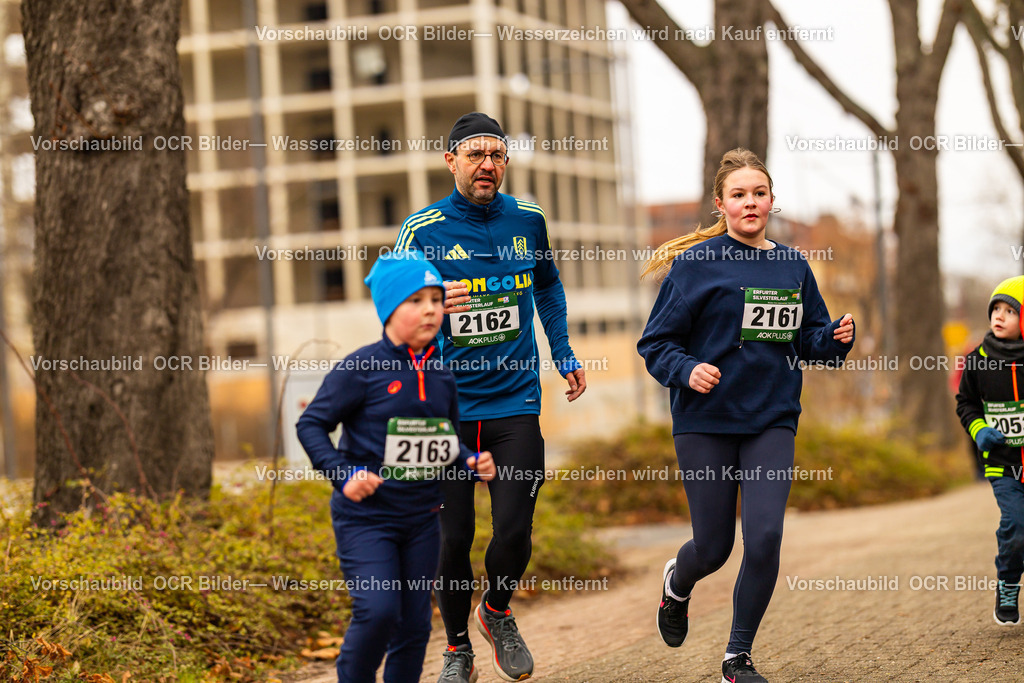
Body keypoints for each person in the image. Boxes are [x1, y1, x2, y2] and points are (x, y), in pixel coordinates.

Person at [637, 148, 855, 683]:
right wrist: (687, 370)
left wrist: (835, 339)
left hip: (770, 418)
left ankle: (736, 657)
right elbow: (655, 343)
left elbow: (807, 342)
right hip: (705, 421)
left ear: (772, 200)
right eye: (739, 194)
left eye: (759, 193)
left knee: (764, 538)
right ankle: (677, 584)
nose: (750, 202)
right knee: (713, 547)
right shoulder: (695, 265)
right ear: (721, 204)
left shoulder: (792, 265)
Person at [394, 112, 586, 683]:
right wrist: (430, 304)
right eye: (475, 155)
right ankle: (456, 650)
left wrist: (564, 350)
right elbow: (392, 311)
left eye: (497, 155)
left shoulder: (528, 219)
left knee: (514, 531)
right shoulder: (422, 228)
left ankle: (496, 611)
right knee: (452, 540)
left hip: (514, 402)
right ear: (450, 160)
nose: (487, 165)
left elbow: (547, 284)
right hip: (445, 411)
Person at [296, 251, 496, 683]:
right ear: (389, 309)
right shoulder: (362, 367)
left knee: (414, 626)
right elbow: (311, 424)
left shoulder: (442, 375)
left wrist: (469, 462)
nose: (430, 309)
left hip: (422, 521)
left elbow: (446, 442)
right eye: (416, 300)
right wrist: (343, 474)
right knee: (378, 611)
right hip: (367, 520)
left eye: (436, 300)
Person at [955, 275, 1024, 627]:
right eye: (995, 309)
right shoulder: (978, 360)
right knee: (1016, 527)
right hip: (1002, 465)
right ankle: (1009, 584)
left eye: (1009, 311)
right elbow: (965, 402)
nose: (998, 316)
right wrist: (979, 430)